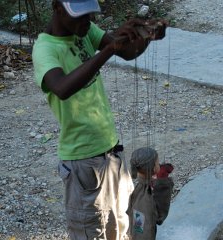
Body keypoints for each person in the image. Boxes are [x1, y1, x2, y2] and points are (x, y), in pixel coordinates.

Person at [32, 0, 167, 239]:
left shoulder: (84, 31)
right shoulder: (45, 49)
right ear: (57, 8)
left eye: (90, 15)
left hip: (112, 152)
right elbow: (62, 88)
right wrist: (108, 50)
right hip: (83, 162)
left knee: (123, 226)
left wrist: (146, 36)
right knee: (92, 232)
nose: (88, 21)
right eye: (80, 16)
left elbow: (126, 52)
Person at [127, 147, 174, 240]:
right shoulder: (148, 195)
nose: (159, 165)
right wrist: (163, 180)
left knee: (138, 228)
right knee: (142, 230)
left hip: (136, 228)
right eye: (157, 163)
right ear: (153, 168)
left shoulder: (139, 188)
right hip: (145, 233)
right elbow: (161, 215)